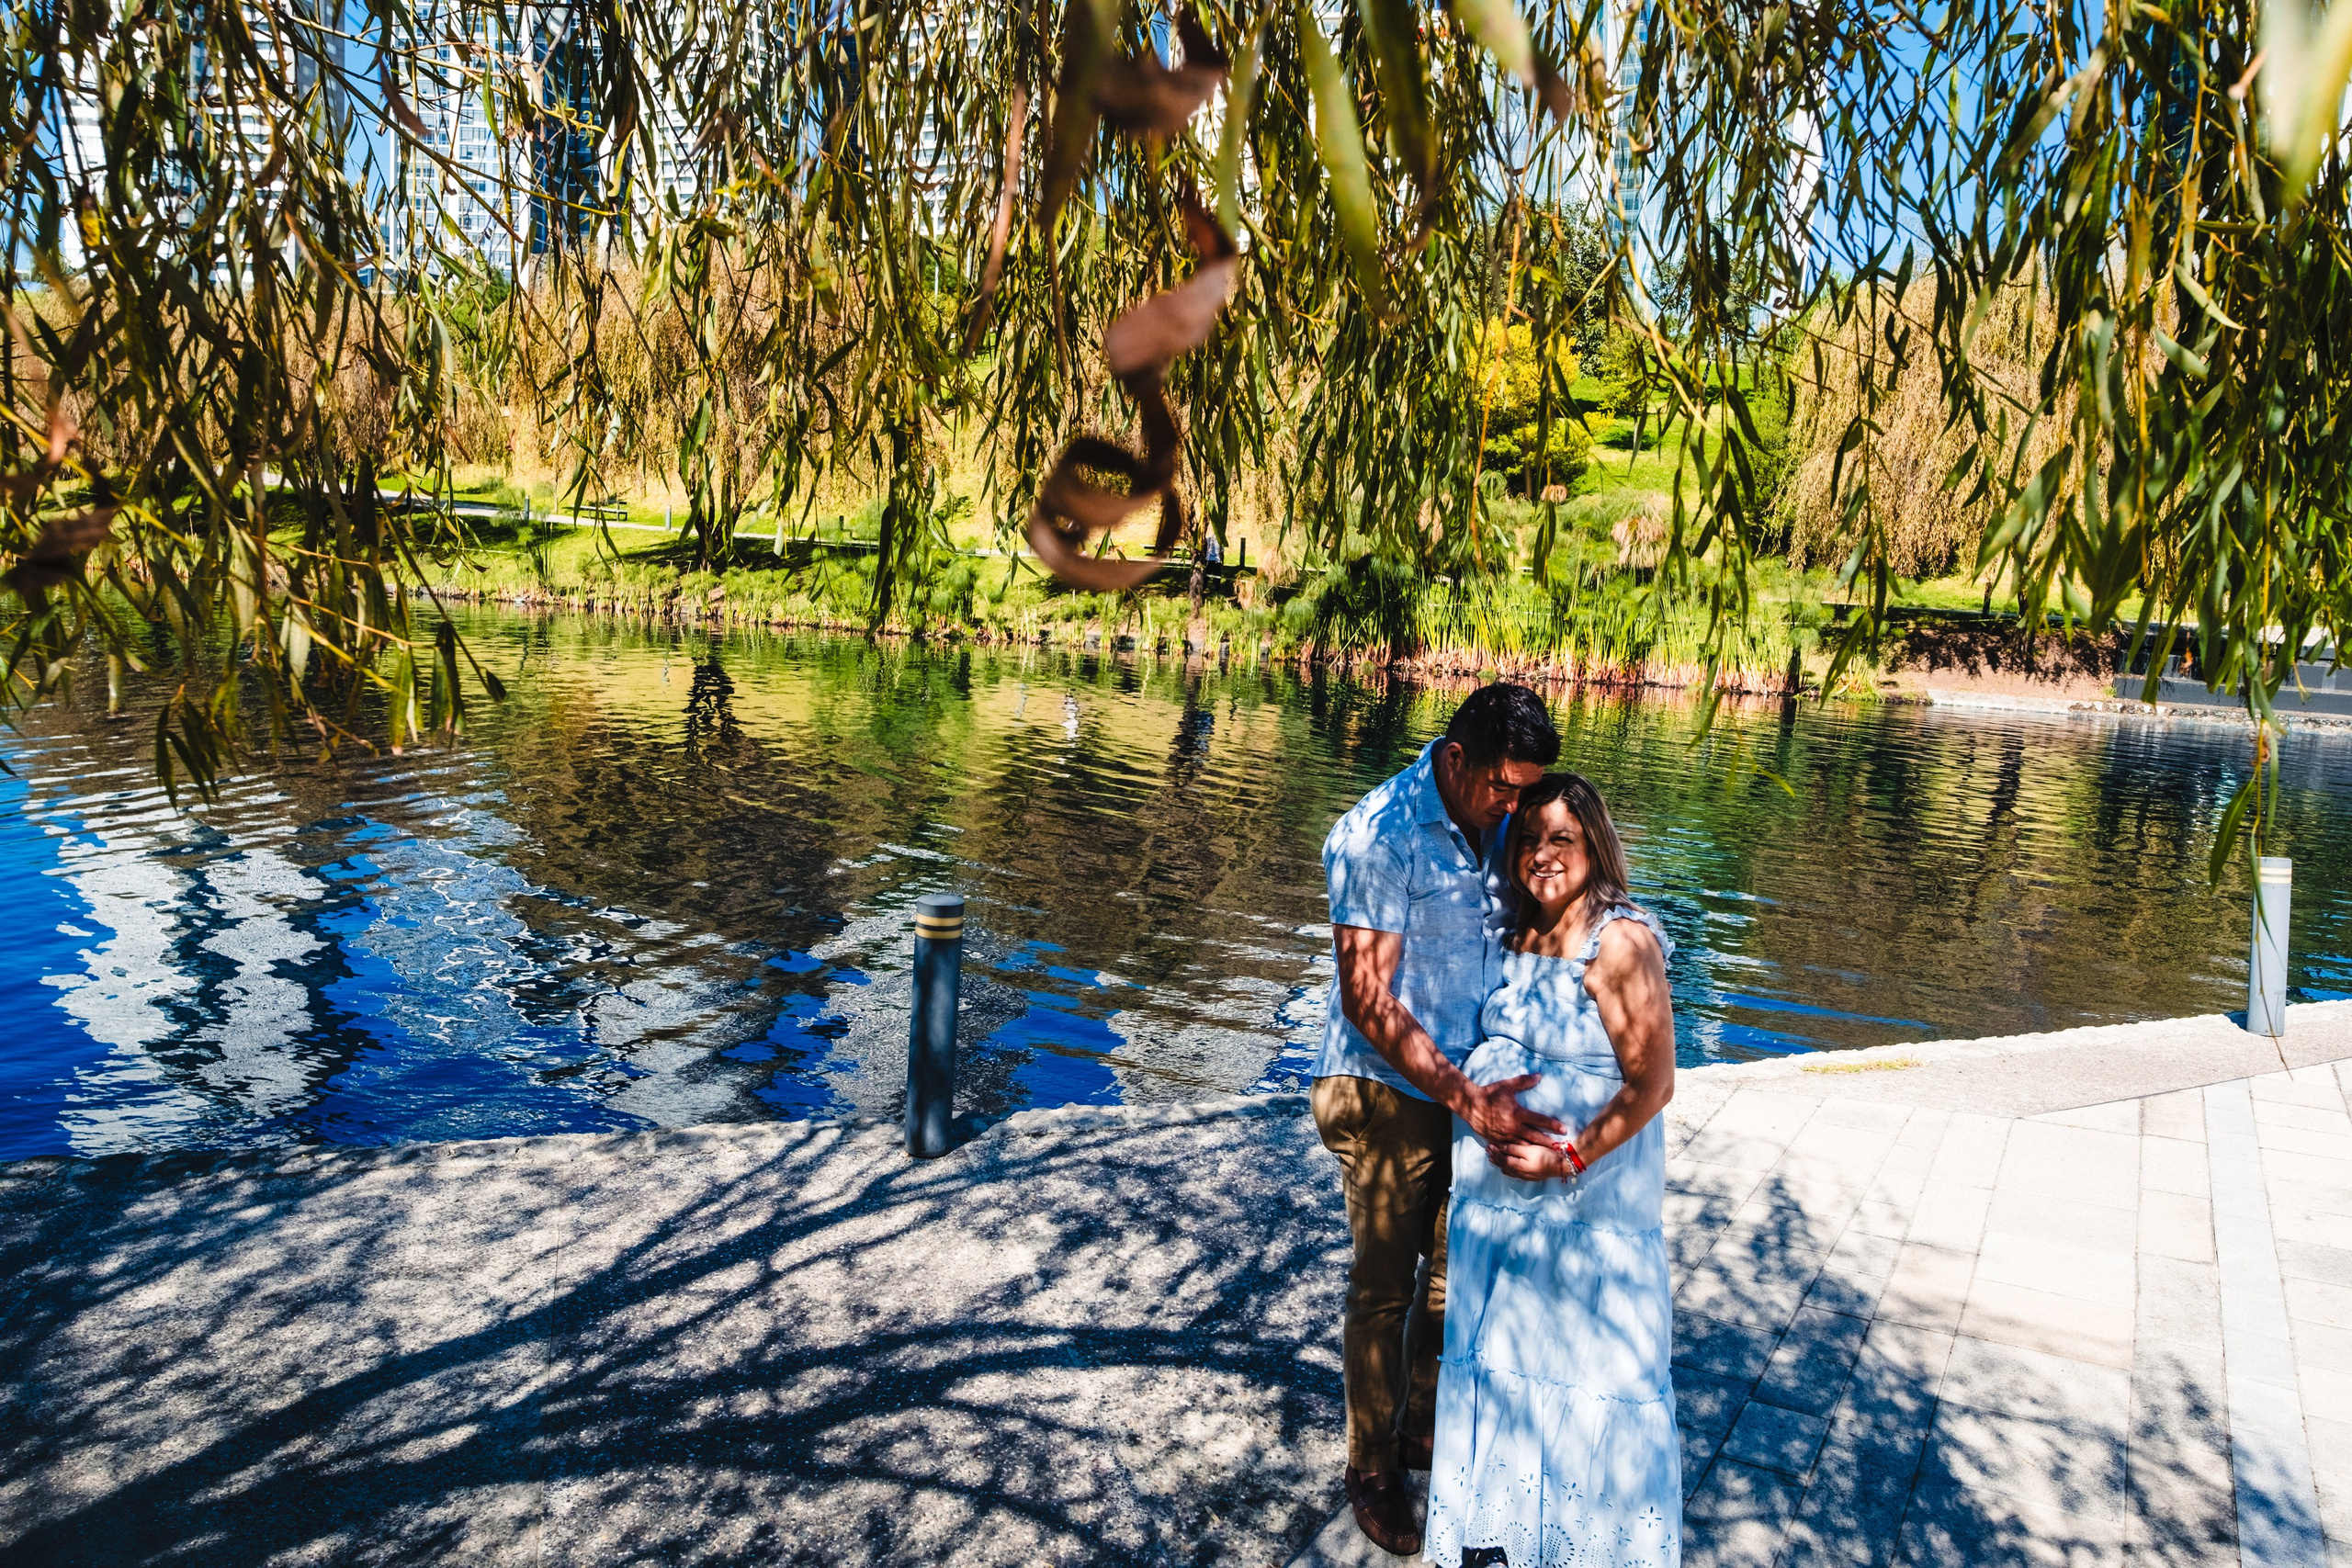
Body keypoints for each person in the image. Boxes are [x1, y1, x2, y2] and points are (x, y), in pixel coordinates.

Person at [1316, 682, 1565, 1557]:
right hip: (1384, 1086)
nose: (1514, 805)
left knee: (1453, 1272)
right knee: (1386, 1282)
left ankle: (1423, 1427)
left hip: (1473, 1079)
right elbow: (1367, 1000)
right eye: (1504, 786)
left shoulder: (1502, 817)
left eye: (1525, 790)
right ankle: (1371, 1465)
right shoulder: (1375, 836)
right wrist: (1467, 1097)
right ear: (1456, 760)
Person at [1423, 773, 1681, 1567]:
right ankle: (1499, 1534)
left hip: (1585, 1213)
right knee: (1506, 1366)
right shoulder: (1516, 931)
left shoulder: (1621, 942)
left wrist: (1566, 1153)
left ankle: (1589, 1547)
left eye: (1559, 838)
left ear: (1594, 843)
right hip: (1501, 1219)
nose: (1540, 854)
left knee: (1585, 1369)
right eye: (1529, 838)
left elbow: (1654, 1083)